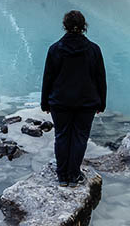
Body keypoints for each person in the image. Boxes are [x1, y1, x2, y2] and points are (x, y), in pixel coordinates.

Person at [40, 9, 107, 187]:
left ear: (65, 26)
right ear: (84, 27)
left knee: (62, 136)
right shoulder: (94, 49)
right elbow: (100, 78)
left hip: (60, 102)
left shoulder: (55, 49)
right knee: (80, 137)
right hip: (87, 103)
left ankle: (62, 176)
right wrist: (102, 102)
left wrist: (44, 102)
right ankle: (74, 175)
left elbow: (48, 78)